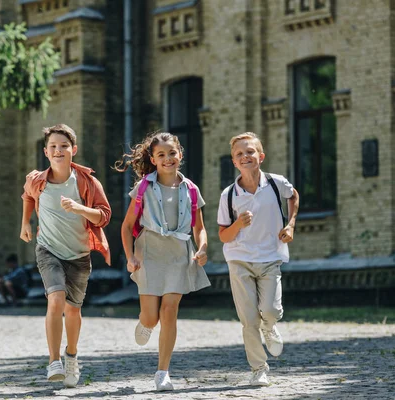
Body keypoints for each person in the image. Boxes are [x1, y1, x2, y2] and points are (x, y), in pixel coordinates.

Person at [115, 132, 210, 391]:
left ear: (180, 154)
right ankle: (145, 322)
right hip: (149, 254)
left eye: (172, 153)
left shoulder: (191, 188)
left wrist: (202, 248)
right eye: (161, 155)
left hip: (179, 254)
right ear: (153, 160)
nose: (168, 159)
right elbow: (126, 227)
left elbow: (199, 228)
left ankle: (162, 372)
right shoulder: (143, 187)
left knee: (169, 310)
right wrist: (130, 257)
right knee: (151, 317)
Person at [20, 124, 111, 388]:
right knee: (56, 299)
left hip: (79, 254)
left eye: (63, 146)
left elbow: (104, 216)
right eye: (53, 147)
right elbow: (27, 196)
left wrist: (80, 208)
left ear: (74, 150)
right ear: (46, 152)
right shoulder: (37, 180)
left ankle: (71, 356)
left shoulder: (87, 182)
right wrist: (25, 223)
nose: (58, 151)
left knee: (73, 309)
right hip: (48, 249)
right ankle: (53, 361)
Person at [217, 132, 299, 386]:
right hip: (239, 260)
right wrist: (239, 224)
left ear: (260, 156)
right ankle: (258, 369)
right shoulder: (229, 195)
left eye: (250, 151)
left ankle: (270, 326)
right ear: (234, 162)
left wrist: (291, 224)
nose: (245, 156)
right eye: (239, 154)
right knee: (249, 319)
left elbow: (293, 196)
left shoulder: (276, 183)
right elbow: (223, 235)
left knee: (271, 310)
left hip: (270, 257)